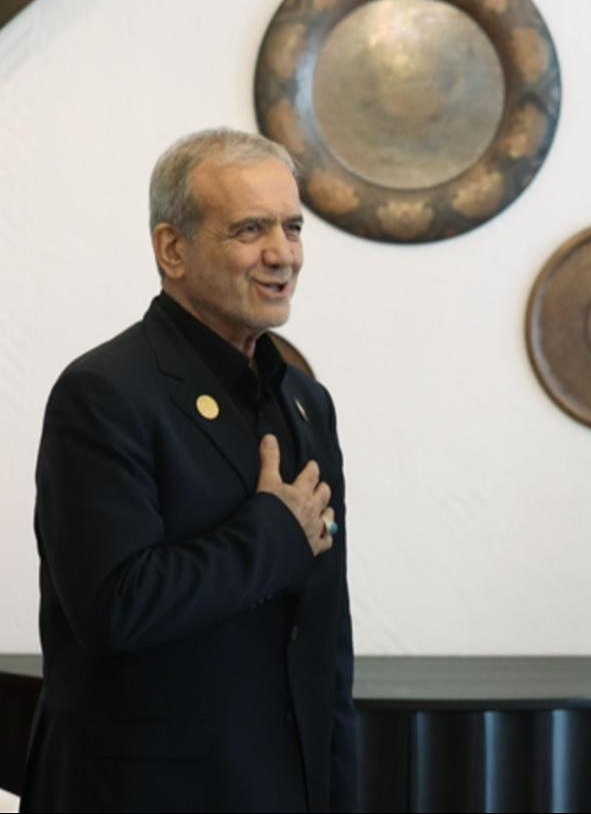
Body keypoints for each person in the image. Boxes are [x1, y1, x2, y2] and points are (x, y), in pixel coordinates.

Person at [21, 128, 354, 812]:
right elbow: (117, 605)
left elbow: (324, 639)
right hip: (146, 791)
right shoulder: (104, 392)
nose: (282, 254)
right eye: (249, 230)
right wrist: (271, 534)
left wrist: (338, 788)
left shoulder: (304, 401)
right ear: (172, 249)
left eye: (293, 227)